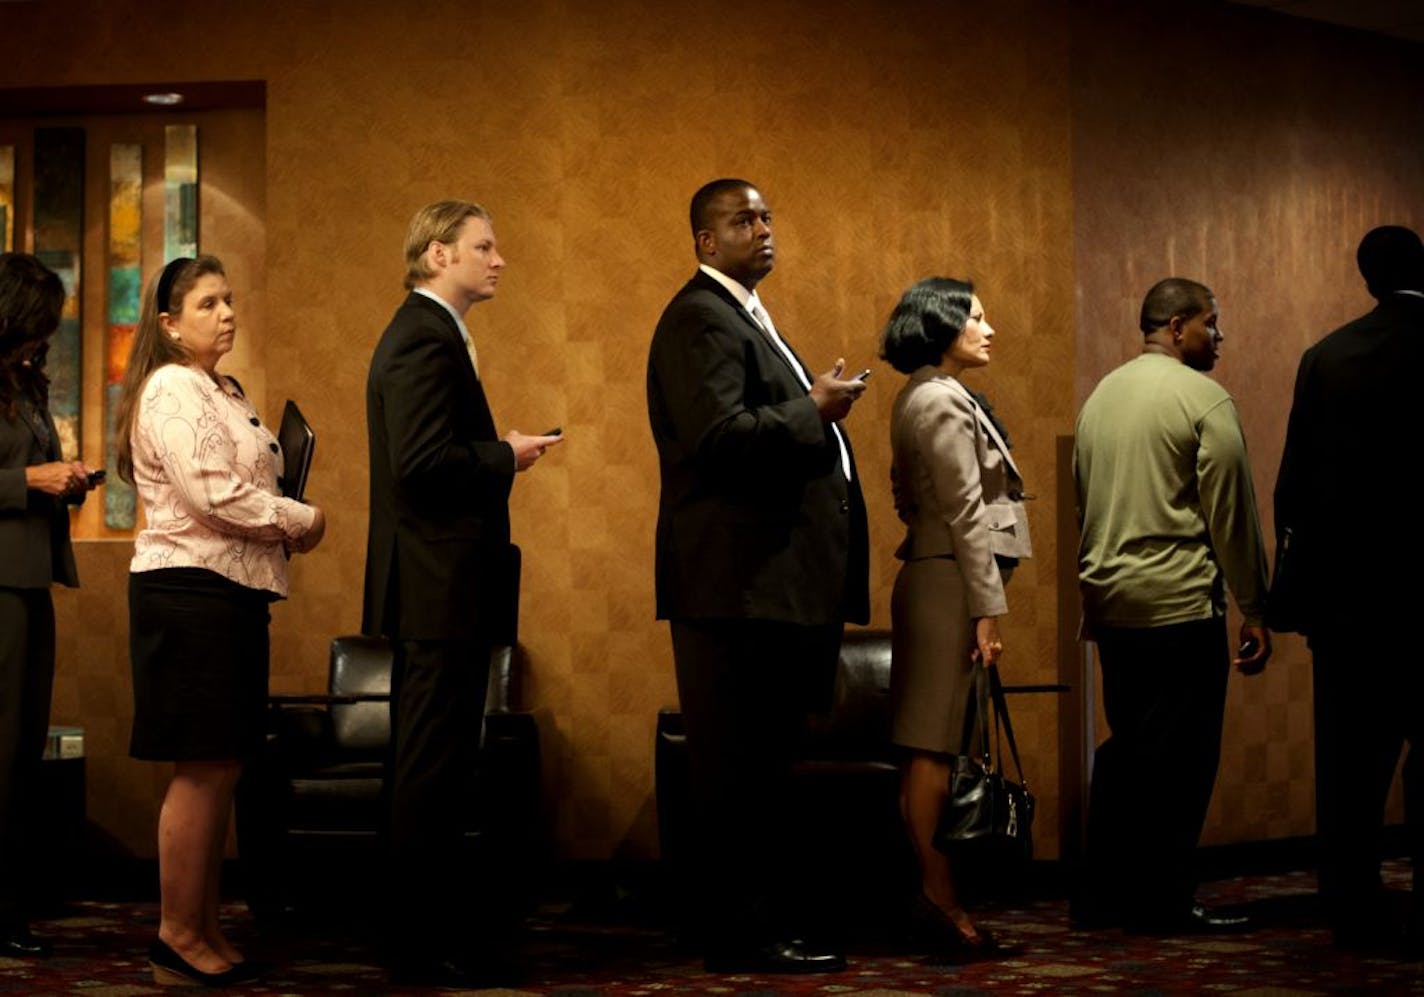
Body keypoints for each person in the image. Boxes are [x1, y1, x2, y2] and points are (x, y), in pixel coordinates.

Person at [646, 178, 870, 974]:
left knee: (763, 765)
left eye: (769, 214)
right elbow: (718, 437)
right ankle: (742, 933)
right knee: (738, 770)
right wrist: (814, 409)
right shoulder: (698, 318)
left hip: (768, 587)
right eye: (744, 219)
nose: (764, 227)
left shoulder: (741, 313)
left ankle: (754, 923)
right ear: (707, 242)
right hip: (737, 587)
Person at [363, 200, 561, 987]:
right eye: (485, 246)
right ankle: (417, 942)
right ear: (438, 253)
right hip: (437, 583)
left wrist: (493, 451)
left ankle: (427, 932)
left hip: (445, 582)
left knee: (438, 762)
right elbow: (419, 464)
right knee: (429, 764)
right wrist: (502, 454)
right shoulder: (420, 335)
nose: (499, 259)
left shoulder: (434, 332)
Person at [116, 255, 326, 986]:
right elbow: (213, 495)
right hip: (188, 592)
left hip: (227, 593)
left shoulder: (221, 388)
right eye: (207, 304)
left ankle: (201, 927)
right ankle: (175, 936)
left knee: (222, 764)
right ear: (170, 325)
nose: (227, 313)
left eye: (229, 300)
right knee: (202, 768)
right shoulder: (172, 386)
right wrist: (301, 517)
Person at [1073, 277, 1271, 934]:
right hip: (1179, 603)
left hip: (1112, 605)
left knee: (1128, 750)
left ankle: (1102, 897)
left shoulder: (1101, 397)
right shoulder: (1203, 399)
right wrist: (1256, 606)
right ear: (1180, 324)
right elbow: (1232, 516)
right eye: (1213, 324)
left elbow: (1087, 500)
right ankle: (1164, 899)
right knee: (1183, 761)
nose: (1219, 337)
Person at [1273, 225, 1424, 953]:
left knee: (1351, 764)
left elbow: (1294, 486)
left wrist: (1295, 594)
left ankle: (1353, 906)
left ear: (1366, 279)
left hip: (1351, 603)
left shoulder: (1326, 357)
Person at [880, 277, 1032, 961]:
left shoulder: (928, 393)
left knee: (933, 744)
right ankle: (938, 898)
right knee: (931, 746)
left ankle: (937, 895)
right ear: (940, 325)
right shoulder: (939, 398)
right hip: (948, 584)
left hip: (942, 576)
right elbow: (967, 510)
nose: (988, 326)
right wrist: (986, 609)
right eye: (975, 315)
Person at [0, 253, 98, 959]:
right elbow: (17, 476)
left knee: (21, 748)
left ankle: (12, 905)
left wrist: (69, 481)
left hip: (32, 577)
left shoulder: (24, 384)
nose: (47, 336)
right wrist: (30, 477)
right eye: (39, 323)